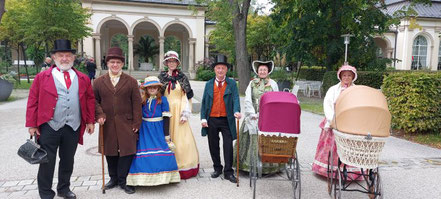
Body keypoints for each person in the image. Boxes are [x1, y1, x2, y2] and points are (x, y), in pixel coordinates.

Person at [26, 39, 95, 199]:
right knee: (46, 161)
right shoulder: (42, 77)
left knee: (67, 160)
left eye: (68, 55)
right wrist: (31, 124)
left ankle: (64, 189)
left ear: (73, 58)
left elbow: (90, 100)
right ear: (54, 57)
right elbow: (33, 100)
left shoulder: (83, 78)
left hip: (73, 125)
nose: (64, 58)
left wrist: (90, 120)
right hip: (49, 125)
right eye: (61, 55)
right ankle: (45, 193)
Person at [93, 47, 142, 194]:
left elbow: (137, 103)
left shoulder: (131, 82)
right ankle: (113, 178)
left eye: (118, 62)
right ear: (107, 63)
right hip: (106, 122)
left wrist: (136, 122)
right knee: (110, 151)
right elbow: (94, 101)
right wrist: (99, 115)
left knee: (127, 152)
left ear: (122, 64)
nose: (115, 65)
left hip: (127, 122)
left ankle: (123, 180)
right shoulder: (98, 82)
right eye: (112, 62)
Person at [126, 76, 181, 186]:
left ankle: (164, 177)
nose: (152, 89)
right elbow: (137, 115)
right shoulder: (142, 100)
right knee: (143, 151)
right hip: (145, 129)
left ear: (158, 88)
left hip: (158, 130)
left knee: (162, 149)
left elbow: (166, 118)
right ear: (146, 89)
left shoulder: (163, 100)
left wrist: (166, 135)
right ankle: (142, 179)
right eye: (149, 87)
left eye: (154, 87)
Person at [233, 60, 283, 174]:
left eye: (265, 69)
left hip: (269, 115)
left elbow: (277, 99)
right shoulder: (252, 83)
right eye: (261, 69)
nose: (262, 71)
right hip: (254, 114)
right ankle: (249, 165)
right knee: (252, 137)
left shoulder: (273, 83)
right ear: (257, 71)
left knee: (268, 139)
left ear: (268, 71)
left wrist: (268, 113)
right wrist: (252, 113)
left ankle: (269, 166)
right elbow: (248, 99)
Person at [312, 64, 360, 179]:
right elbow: (327, 105)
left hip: (350, 122)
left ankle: (350, 171)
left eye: (349, 75)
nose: (347, 77)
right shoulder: (333, 90)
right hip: (334, 120)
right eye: (344, 75)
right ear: (340, 76)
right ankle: (326, 169)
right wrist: (332, 119)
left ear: (353, 77)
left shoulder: (356, 90)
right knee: (331, 144)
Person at [158, 51, 199, 179]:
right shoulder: (161, 77)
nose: (171, 63)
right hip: (165, 110)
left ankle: (183, 167)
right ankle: (167, 166)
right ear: (166, 63)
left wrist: (185, 113)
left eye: (174, 61)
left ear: (177, 63)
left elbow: (187, 96)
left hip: (179, 110)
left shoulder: (182, 77)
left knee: (182, 139)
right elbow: (157, 94)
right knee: (166, 137)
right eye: (169, 61)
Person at [200, 54, 241, 183]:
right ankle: (217, 168)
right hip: (211, 119)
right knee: (213, 144)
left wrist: (236, 111)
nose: (220, 70)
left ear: (226, 70)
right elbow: (204, 101)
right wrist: (203, 118)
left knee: (228, 145)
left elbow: (235, 98)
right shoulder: (209, 84)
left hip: (226, 119)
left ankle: (228, 171)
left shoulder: (232, 83)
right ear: (214, 70)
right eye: (218, 68)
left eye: (223, 68)